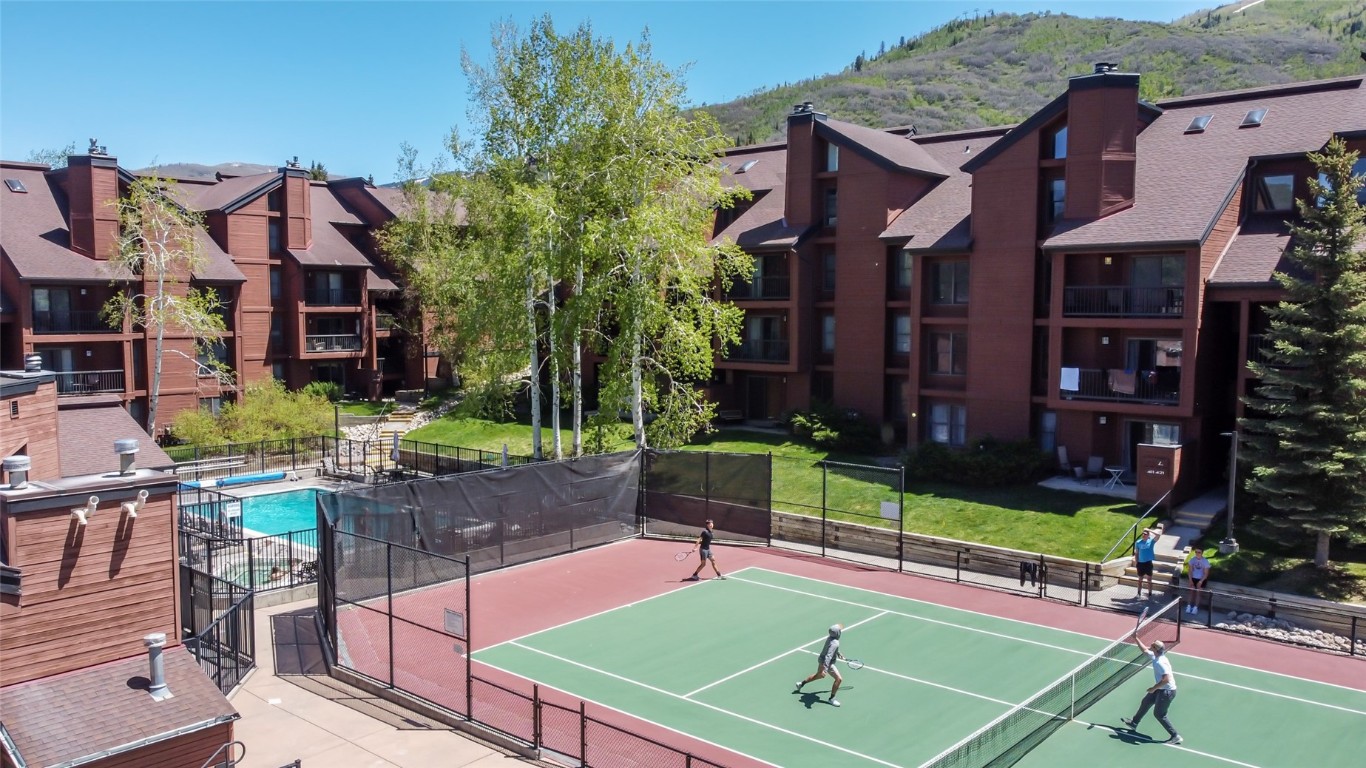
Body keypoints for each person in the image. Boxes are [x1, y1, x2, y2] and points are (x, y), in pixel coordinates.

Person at [1121, 634, 1181, 745]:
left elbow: (1166, 679)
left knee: (1159, 714)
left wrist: (1153, 688)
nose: (1150, 646)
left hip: (1167, 692)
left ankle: (1175, 736)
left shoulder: (1160, 662)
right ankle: (1134, 723)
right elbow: (1144, 650)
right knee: (1146, 702)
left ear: (1155, 649)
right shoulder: (1156, 656)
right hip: (1161, 689)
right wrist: (1136, 638)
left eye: (1152, 645)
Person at [795, 624, 845, 707]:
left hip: (821, 660)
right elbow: (828, 656)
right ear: (837, 633)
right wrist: (825, 669)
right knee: (839, 679)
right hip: (827, 663)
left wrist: (838, 653)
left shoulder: (830, 638)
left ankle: (801, 683)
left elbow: (830, 649)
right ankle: (832, 699)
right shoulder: (835, 643)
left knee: (819, 675)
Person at [1132, 528, 1158, 598]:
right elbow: (1136, 553)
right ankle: (1139, 593)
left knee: (1149, 579)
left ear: (1148, 535)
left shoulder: (1151, 542)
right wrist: (1136, 563)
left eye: (1145, 534)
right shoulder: (1138, 542)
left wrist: (1150, 530)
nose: (1143, 535)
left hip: (1148, 563)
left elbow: (1158, 535)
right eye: (1143, 534)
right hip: (1140, 563)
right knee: (1140, 579)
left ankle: (1150, 593)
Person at [1186, 549, 1211, 615]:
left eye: (1199, 552)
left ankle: (1195, 608)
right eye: (1196, 552)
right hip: (1193, 578)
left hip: (1201, 579)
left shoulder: (1205, 561)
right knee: (1191, 592)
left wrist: (1200, 581)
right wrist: (1190, 580)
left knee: (1198, 593)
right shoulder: (1192, 560)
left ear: (1202, 553)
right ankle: (1188, 606)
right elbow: (1190, 571)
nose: (1197, 553)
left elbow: (1206, 574)